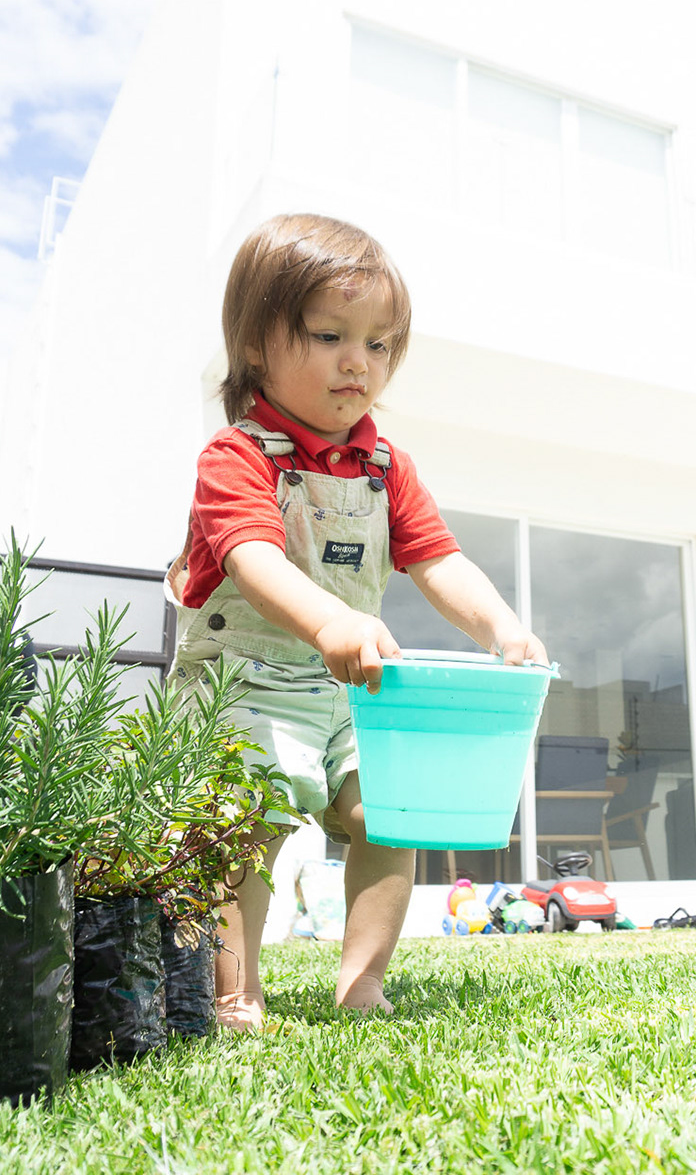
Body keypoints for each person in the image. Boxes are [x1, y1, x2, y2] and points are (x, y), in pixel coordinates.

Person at [167, 213, 546, 1023]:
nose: (359, 362)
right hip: (244, 688)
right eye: (331, 334)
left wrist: (501, 627)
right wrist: (331, 620)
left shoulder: (386, 466)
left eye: (379, 345)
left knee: (391, 813)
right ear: (259, 345)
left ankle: (362, 978)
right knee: (241, 832)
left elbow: (440, 560)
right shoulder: (235, 457)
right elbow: (252, 558)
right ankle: (236, 991)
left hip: (351, 689)